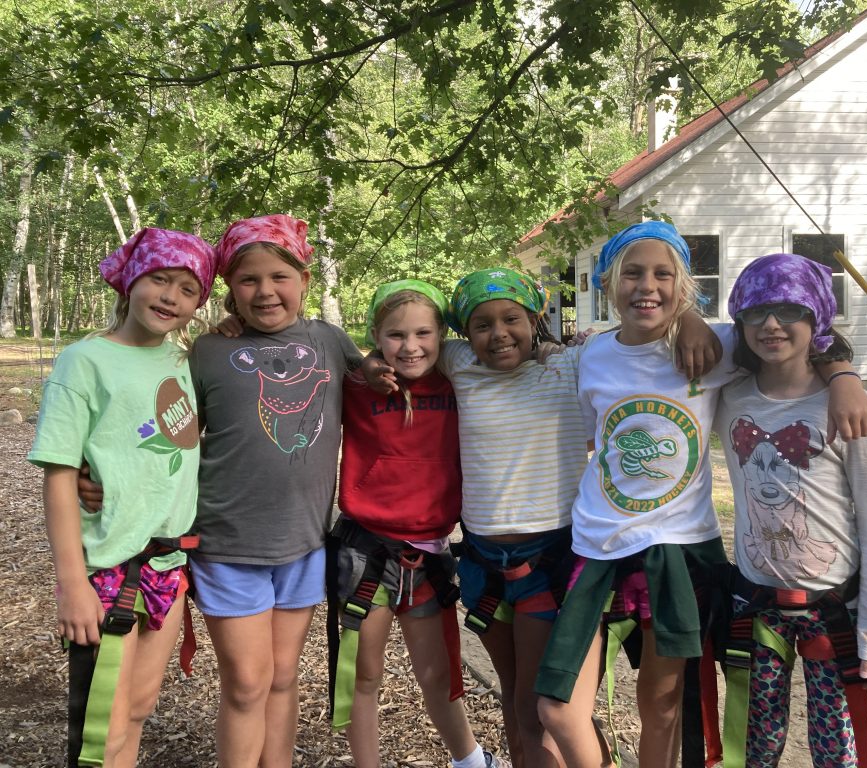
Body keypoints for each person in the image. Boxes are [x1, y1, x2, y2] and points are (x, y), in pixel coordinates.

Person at [535, 222, 867, 768]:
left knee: (663, 709)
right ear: (607, 283)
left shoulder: (716, 346)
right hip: (596, 546)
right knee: (556, 706)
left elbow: (799, 332)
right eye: (633, 273)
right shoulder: (590, 357)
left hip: (678, 547)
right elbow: (588, 434)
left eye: (663, 274)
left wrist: (844, 376)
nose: (648, 285)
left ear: (683, 285)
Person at [29, 228, 216, 767]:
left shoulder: (182, 362)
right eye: (160, 279)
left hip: (169, 564)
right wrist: (71, 584)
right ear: (131, 280)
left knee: (137, 709)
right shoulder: (84, 361)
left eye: (187, 289)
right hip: (108, 570)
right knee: (99, 732)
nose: (170, 297)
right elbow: (60, 473)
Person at [188, 215, 364, 767]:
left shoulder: (331, 342)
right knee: (246, 683)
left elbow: (394, 375)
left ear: (305, 280)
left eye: (279, 277)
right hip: (228, 544)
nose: (265, 291)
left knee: (284, 677)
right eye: (248, 280)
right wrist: (94, 475)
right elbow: (165, 435)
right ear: (229, 290)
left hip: (305, 544)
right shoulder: (207, 351)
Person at [712, 253, 867, 768]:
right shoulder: (727, 398)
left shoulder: (851, 406)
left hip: (833, 610)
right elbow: (680, 335)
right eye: (755, 311)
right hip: (756, 606)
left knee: (836, 749)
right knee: (754, 744)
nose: (771, 324)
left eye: (789, 309)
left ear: (816, 315)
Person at [329, 279, 508, 768]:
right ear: (375, 336)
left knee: (437, 671)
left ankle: (470, 760)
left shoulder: (459, 378)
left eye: (423, 333)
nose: (410, 347)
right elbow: (315, 346)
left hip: (429, 552)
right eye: (395, 335)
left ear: (443, 335)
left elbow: (515, 349)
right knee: (363, 674)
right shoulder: (355, 384)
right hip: (367, 552)